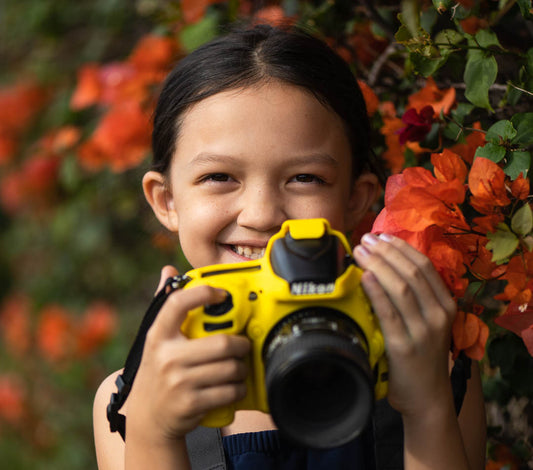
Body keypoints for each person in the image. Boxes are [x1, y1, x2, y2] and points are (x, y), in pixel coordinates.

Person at [93, 24, 486, 470]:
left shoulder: (427, 361)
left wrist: (428, 407)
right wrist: (154, 429)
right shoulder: (132, 395)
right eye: (219, 177)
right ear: (167, 201)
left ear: (356, 199)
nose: (261, 215)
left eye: (305, 178)